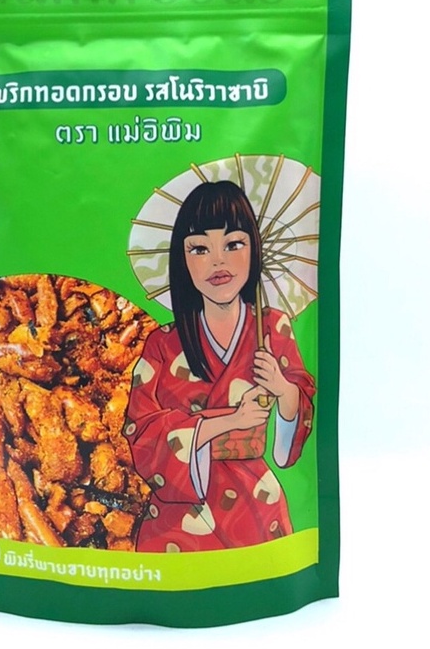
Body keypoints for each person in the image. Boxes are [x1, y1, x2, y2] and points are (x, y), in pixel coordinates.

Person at [126, 180, 315, 551]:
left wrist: (282, 389)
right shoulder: (162, 344)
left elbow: (300, 409)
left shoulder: (273, 328)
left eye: (233, 244)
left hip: (256, 505)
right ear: (182, 260)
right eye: (200, 248)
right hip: (179, 517)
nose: (218, 261)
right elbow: (141, 431)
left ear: (254, 248)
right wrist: (231, 421)